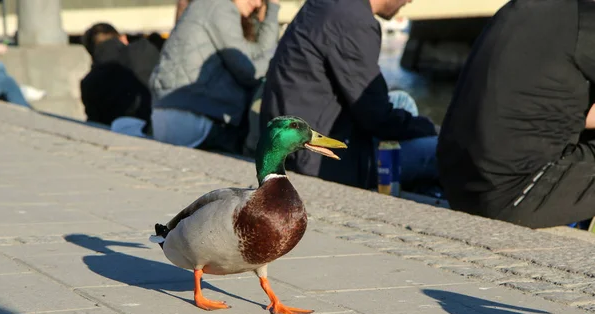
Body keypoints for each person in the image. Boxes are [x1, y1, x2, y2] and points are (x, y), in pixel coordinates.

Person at [437, 0, 595, 229]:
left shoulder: (519, 9)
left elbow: (547, 109)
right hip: (513, 194)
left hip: (460, 189)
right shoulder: (585, 22)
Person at [258, 0, 438, 190]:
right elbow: (377, 118)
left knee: (403, 100)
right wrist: (434, 130)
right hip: (322, 159)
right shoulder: (353, 21)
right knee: (444, 151)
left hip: (304, 136)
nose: (410, 0)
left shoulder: (333, 5)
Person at [148, 0, 280, 155]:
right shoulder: (219, 6)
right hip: (192, 122)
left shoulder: (206, 5)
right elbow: (249, 72)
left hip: (169, 116)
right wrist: (275, 57)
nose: (258, 4)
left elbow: (254, 55)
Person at [79, 23, 160, 131]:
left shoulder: (89, 83)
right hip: (161, 126)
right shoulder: (145, 49)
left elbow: (95, 125)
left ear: (91, 53)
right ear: (123, 38)